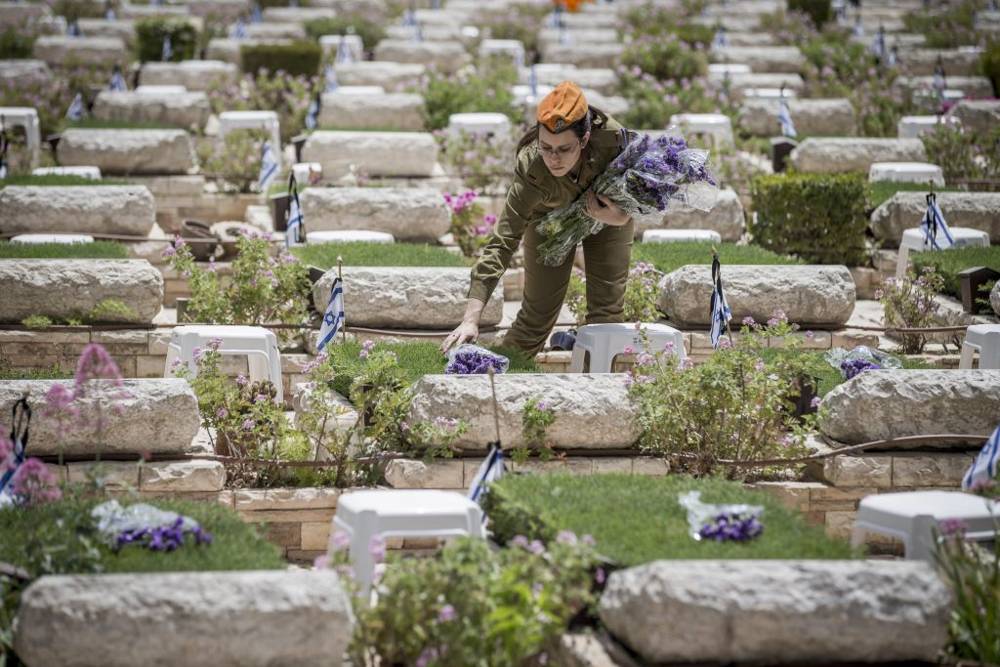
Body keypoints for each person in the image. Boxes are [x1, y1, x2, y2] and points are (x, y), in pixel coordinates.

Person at [441, 81, 635, 357]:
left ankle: (595, 389)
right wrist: (471, 318)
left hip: (607, 214)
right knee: (537, 317)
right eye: (547, 147)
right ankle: (494, 376)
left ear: (585, 138)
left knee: (607, 315)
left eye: (564, 149)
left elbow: (637, 196)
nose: (554, 158)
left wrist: (618, 216)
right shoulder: (532, 168)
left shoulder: (613, 141)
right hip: (549, 221)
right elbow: (502, 241)